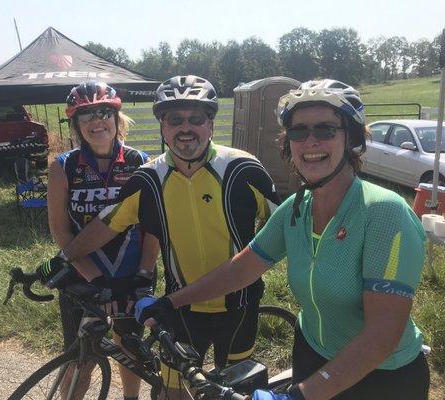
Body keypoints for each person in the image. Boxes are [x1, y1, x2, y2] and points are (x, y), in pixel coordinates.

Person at [136, 79, 430, 400]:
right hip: (312, 355)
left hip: (382, 377)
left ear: (351, 139)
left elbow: (382, 334)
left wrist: (300, 396)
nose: (310, 141)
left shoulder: (384, 212)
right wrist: (170, 302)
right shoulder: (298, 208)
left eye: (325, 130)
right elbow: (242, 269)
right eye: (298, 131)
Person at [58, 75, 280, 398]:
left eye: (196, 119)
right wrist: (62, 258)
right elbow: (105, 227)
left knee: (234, 392)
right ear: (163, 127)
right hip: (179, 310)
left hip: (240, 308)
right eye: (175, 119)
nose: (185, 128)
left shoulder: (244, 169)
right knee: (172, 394)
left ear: (211, 124)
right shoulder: (148, 180)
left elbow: (287, 228)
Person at [46, 81, 160, 400]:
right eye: (86, 116)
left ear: (116, 117)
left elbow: (153, 226)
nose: (97, 122)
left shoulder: (141, 162)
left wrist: (144, 274)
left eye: (103, 112)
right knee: (81, 356)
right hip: (84, 275)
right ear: (76, 125)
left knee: (130, 347)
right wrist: (95, 279)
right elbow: (61, 232)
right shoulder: (63, 167)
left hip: (131, 271)